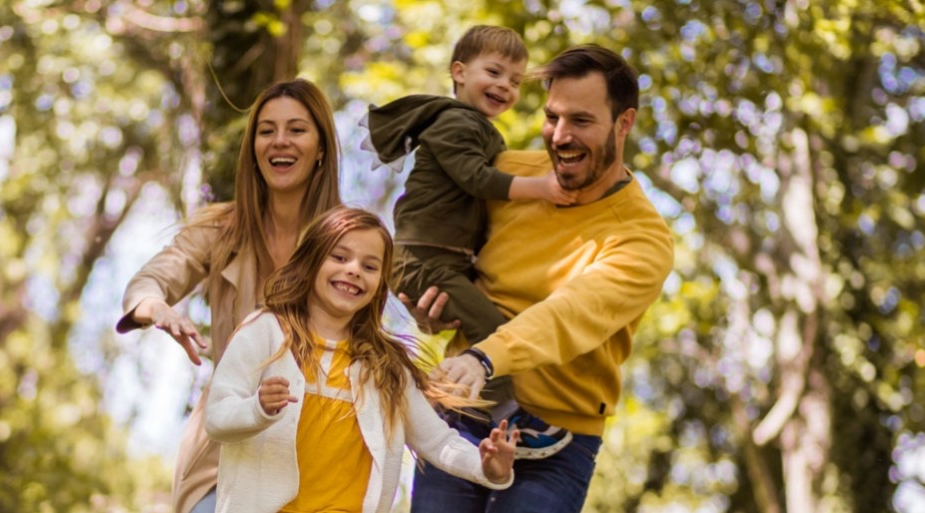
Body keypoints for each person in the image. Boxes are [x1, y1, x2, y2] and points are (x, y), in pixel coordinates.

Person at [404, 44, 676, 513]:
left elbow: (571, 313)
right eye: (553, 118)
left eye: (581, 121)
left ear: (624, 123)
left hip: (558, 441)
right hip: (463, 413)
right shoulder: (507, 177)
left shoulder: (643, 238)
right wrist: (424, 302)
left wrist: (484, 358)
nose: (560, 136)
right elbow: (434, 236)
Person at [116, 78, 347, 513]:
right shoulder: (220, 230)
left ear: (321, 148)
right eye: (266, 130)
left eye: (297, 129)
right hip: (227, 452)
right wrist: (156, 308)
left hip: (317, 451)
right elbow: (151, 280)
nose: (280, 141)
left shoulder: (349, 242)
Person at [205, 206, 518, 513]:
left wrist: (488, 468)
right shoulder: (264, 331)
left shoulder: (386, 366)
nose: (353, 269)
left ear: (380, 284)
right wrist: (257, 408)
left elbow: (438, 441)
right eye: (339, 257)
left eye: (369, 266)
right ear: (310, 261)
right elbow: (218, 418)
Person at [367, 24, 573, 354]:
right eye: (494, 72)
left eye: (515, 81)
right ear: (459, 72)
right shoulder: (455, 122)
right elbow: (476, 178)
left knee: (500, 323)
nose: (504, 85)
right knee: (496, 340)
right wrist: (541, 187)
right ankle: (485, 403)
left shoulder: (479, 128)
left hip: (446, 261)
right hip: (422, 260)